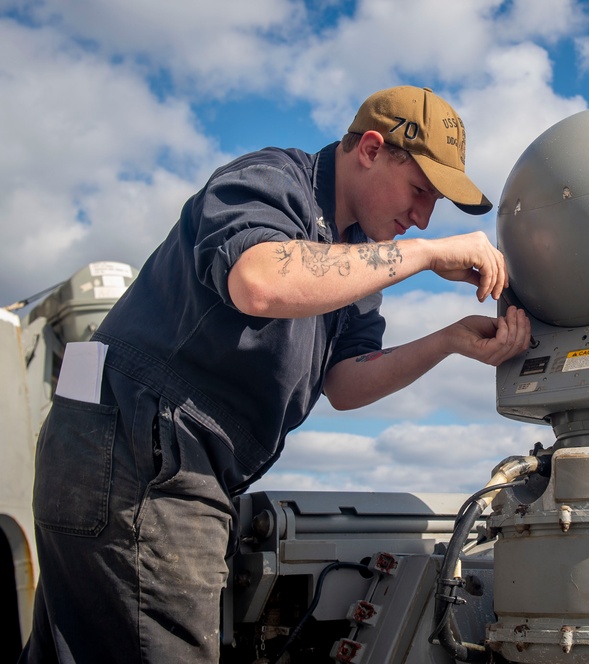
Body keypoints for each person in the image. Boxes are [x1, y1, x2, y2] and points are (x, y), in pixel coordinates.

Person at [20, 85, 531, 663]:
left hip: (160, 464)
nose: (421, 218)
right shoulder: (272, 180)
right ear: (369, 149)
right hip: (141, 455)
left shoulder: (355, 256)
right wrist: (426, 255)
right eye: (420, 190)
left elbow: (344, 383)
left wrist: (449, 341)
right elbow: (259, 280)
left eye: (433, 205)